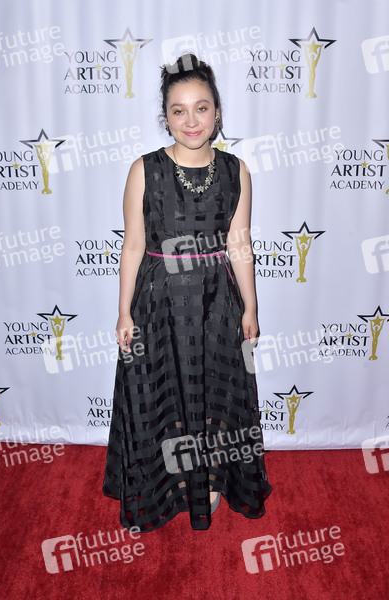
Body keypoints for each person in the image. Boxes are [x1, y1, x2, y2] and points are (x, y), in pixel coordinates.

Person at [103, 53, 272, 532]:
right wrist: (123, 312)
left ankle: (210, 476)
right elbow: (132, 246)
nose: (191, 120)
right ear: (166, 117)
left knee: (216, 396)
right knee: (160, 393)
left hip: (217, 301)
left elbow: (239, 244)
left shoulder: (237, 170)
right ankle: (166, 481)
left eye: (201, 107)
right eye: (179, 110)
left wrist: (251, 307)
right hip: (158, 301)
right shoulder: (145, 169)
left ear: (217, 112)